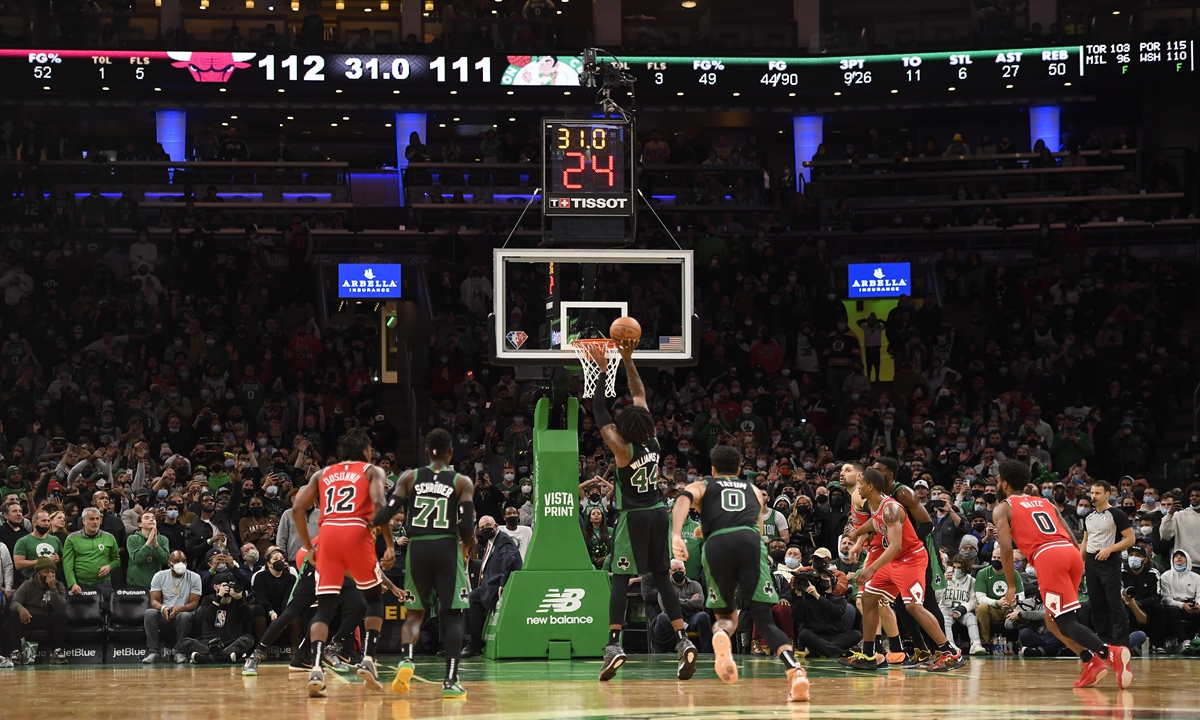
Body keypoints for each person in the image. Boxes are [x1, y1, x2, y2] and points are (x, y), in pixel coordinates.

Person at [582, 339, 697, 682]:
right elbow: (639, 392)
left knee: (619, 578)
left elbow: (600, 410)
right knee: (661, 577)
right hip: (658, 512)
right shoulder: (653, 440)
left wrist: (604, 370)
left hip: (633, 518)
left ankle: (614, 645)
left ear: (623, 429)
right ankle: (682, 640)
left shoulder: (621, 448)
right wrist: (627, 359)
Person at [671, 444, 808, 702]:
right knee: (764, 621)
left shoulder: (705, 484)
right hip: (750, 544)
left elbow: (682, 499)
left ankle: (721, 635)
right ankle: (795, 672)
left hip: (717, 545)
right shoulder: (754, 490)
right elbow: (754, 527)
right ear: (738, 469)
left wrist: (677, 534)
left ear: (712, 468)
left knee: (725, 615)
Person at [993, 459, 1132, 689]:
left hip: (1048, 557)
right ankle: (1091, 662)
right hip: (1071, 552)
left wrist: (1010, 585)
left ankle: (1110, 653)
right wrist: (1076, 557)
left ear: (1004, 483)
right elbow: (1068, 530)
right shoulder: (1043, 501)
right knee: (1052, 618)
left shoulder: (1003, 507)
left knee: (1064, 621)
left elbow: (1006, 549)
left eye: (998, 480)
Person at [374, 428, 474, 700]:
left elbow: (385, 513)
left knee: (415, 613)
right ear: (450, 452)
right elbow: (466, 524)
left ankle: (406, 658)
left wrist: (372, 526)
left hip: (417, 547)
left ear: (426, 452)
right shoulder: (461, 481)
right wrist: (465, 546)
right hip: (446, 545)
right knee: (452, 615)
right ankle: (450, 681)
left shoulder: (409, 477)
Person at [291, 428, 392, 698]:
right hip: (357, 532)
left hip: (328, 536)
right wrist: (390, 544)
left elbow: (297, 509)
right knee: (372, 599)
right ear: (366, 451)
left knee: (324, 608)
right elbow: (380, 503)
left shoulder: (321, 473)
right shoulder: (372, 471)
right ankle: (369, 660)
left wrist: (309, 545)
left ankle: (315, 668)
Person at [845, 468, 961, 672]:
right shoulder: (875, 503)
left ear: (870, 487)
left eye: (860, 483)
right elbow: (875, 520)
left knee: (913, 607)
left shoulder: (891, 508)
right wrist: (858, 532)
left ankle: (950, 652)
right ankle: (870, 654)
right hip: (894, 560)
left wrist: (871, 569)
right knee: (868, 598)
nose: (858, 486)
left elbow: (896, 545)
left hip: (911, 559)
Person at [1080, 480, 1135, 648]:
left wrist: (1109, 549)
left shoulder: (1116, 514)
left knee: (1114, 603)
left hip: (1109, 561)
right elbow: (1085, 541)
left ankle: (1121, 645)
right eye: (1092, 493)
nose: (1093, 496)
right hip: (1091, 561)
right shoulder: (1088, 516)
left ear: (1107, 495)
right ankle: (1105, 643)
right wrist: (1078, 562)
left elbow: (1130, 539)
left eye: (1097, 493)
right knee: (1096, 604)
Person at [462, 515, 522, 657]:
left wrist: (503, 583)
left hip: (497, 585)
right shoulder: (491, 542)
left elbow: (509, 561)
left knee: (472, 599)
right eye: (481, 528)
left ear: (496, 526)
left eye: (488, 525)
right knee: (470, 599)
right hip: (489, 584)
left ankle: (474, 643)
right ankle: (474, 641)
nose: (485, 529)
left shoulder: (503, 540)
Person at [179, 571, 254, 663]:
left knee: (248, 639)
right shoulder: (208, 599)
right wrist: (218, 598)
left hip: (231, 642)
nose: (227, 588)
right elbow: (207, 617)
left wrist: (240, 599)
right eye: (223, 585)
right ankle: (226, 657)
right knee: (184, 642)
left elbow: (249, 618)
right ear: (215, 587)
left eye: (229, 585)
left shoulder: (238, 600)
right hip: (209, 642)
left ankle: (206, 657)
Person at [144, 550, 201, 664]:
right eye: (176, 561)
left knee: (185, 616)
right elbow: (154, 601)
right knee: (149, 613)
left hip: (183, 615)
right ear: (169, 563)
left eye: (184, 561)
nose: (181, 564)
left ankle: (179, 652)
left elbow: (194, 604)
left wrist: (180, 608)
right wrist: (163, 608)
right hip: (164, 614)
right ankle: (153, 652)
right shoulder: (159, 576)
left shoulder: (195, 577)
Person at [643, 558, 711, 654]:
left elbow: (699, 604)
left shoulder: (695, 585)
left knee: (703, 616)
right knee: (662, 617)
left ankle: (707, 652)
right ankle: (658, 653)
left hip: (691, 618)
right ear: (669, 573)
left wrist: (674, 601)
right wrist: (690, 601)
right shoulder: (664, 587)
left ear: (685, 570)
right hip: (672, 620)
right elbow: (665, 607)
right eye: (674, 570)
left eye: (680, 569)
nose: (678, 572)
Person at [9, 558, 68, 665]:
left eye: (53, 572)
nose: (50, 575)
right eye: (46, 571)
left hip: (47, 619)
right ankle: (16, 652)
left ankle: (57, 651)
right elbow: (14, 602)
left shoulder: (59, 586)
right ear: (38, 573)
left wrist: (53, 588)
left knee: (61, 615)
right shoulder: (27, 585)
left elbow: (60, 607)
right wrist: (21, 608)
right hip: (29, 618)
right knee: (14, 614)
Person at [63, 507, 120, 602]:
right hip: (80, 584)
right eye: (92, 519)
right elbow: (67, 564)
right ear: (84, 521)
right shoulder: (72, 538)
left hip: (104, 584)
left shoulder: (109, 537)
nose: (95, 522)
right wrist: (72, 584)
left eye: (97, 519)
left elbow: (117, 560)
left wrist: (110, 566)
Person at [938, 553, 985, 655]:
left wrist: (961, 609)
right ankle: (950, 645)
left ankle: (975, 644)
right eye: (954, 567)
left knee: (972, 619)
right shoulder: (943, 577)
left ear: (965, 567)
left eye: (959, 567)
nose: (956, 570)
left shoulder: (972, 581)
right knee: (945, 620)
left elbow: (973, 601)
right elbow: (937, 598)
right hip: (946, 607)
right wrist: (943, 582)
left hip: (963, 609)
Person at [127, 510, 171, 588]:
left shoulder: (163, 539)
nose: (151, 519)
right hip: (136, 583)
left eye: (153, 518)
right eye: (147, 518)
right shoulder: (132, 539)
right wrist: (148, 542)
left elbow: (165, 560)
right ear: (140, 524)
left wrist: (156, 545)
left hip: (156, 583)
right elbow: (137, 559)